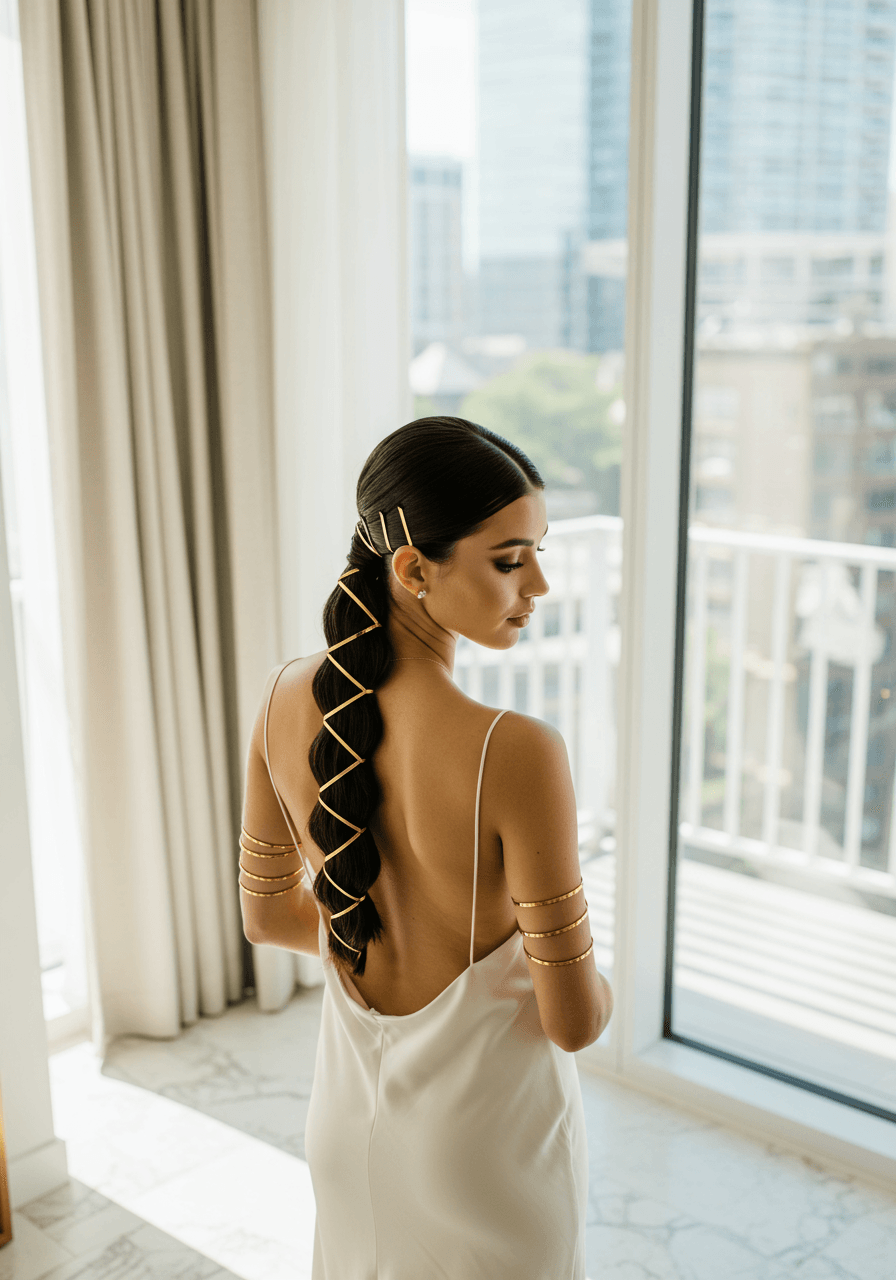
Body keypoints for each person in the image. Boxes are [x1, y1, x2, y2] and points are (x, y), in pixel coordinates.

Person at [239, 416, 614, 1279]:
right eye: (510, 561)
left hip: (345, 1132)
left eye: (539, 553)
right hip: (488, 1156)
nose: (540, 584)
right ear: (413, 569)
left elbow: (267, 919)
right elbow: (574, 1022)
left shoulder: (281, 696)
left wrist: (371, 929)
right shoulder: (516, 751)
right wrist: (592, 977)